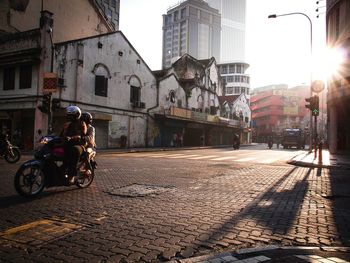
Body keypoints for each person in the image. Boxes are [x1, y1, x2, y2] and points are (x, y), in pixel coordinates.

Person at [60, 106, 87, 184]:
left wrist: (73, 137)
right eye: (68, 115)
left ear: (77, 115)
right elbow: (61, 134)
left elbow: (81, 134)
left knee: (74, 150)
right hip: (68, 143)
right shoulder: (67, 124)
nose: (69, 117)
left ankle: (71, 176)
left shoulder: (82, 123)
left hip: (79, 145)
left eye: (71, 115)